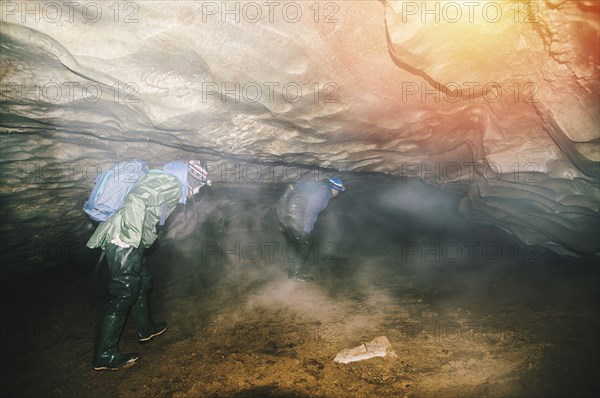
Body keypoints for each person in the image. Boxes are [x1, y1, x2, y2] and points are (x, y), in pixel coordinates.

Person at [86, 160, 210, 371]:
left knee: (141, 282)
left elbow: (148, 208)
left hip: (131, 237)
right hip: (124, 238)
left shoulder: (170, 182)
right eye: (198, 186)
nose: (197, 192)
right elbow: (135, 199)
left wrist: (141, 239)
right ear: (192, 180)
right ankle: (104, 355)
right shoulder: (172, 184)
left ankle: (146, 328)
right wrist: (132, 239)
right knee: (123, 291)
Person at [277, 177, 345, 282]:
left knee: (294, 245)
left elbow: (284, 198)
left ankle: (293, 273)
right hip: (296, 216)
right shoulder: (324, 191)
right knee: (306, 243)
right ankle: (296, 274)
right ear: (334, 188)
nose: (338, 193)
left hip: (288, 215)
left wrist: (282, 221)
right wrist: (306, 231)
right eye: (338, 190)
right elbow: (311, 210)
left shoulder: (314, 186)